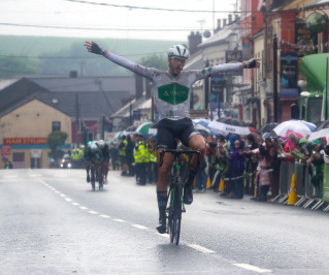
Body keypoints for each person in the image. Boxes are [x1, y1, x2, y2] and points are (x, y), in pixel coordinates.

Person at [84, 40, 257, 233]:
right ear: (169, 60)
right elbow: (129, 65)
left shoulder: (191, 76)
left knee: (201, 147)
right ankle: (162, 217)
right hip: (165, 125)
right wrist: (104, 53)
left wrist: (243, 65)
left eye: (183, 61)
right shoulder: (156, 75)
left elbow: (216, 69)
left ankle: (189, 185)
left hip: (184, 124)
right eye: (176, 61)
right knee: (164, 168)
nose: (180, 64)